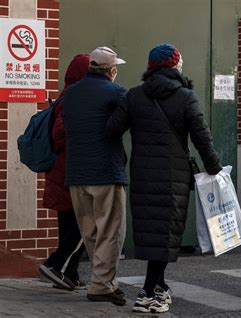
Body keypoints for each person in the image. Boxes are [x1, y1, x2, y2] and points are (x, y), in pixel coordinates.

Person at [106, 44, 221, 314]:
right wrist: (214, 168)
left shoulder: (133, 96)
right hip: (173, 176)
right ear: (174, 66)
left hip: (143, 174)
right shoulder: (186, 97)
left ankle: (159, 286)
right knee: (166, 232)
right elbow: (202, 138)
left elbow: (112, 129)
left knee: (153, 232)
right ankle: (148, 294)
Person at [62, 47, 128, 306]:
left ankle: (103, 281)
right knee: (110, 231)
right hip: (106, 171)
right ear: (111, 70)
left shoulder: (71, 93)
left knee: (89, 231)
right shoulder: (117, 92)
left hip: (76, 173)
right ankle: (102, 285)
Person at [39, 54, 90, 291]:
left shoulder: (65, 96)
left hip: (62, 173)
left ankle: (69, 273)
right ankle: (56, 265)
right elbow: (60, 134)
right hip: (68, 172)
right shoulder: (72, 98)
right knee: (85, 224)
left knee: (69, 224)